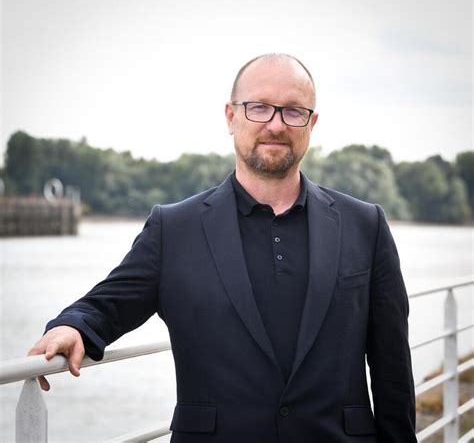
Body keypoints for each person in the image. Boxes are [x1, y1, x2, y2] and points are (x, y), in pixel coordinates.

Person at [29, 53, 417, 442]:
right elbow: (108, 304)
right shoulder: (174, 228)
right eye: (259, 108)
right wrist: (71, 326)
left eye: (293, 111)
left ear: (312, 123)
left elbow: (392, 370)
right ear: (231, 117)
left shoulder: (366, 225)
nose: (276, 124)